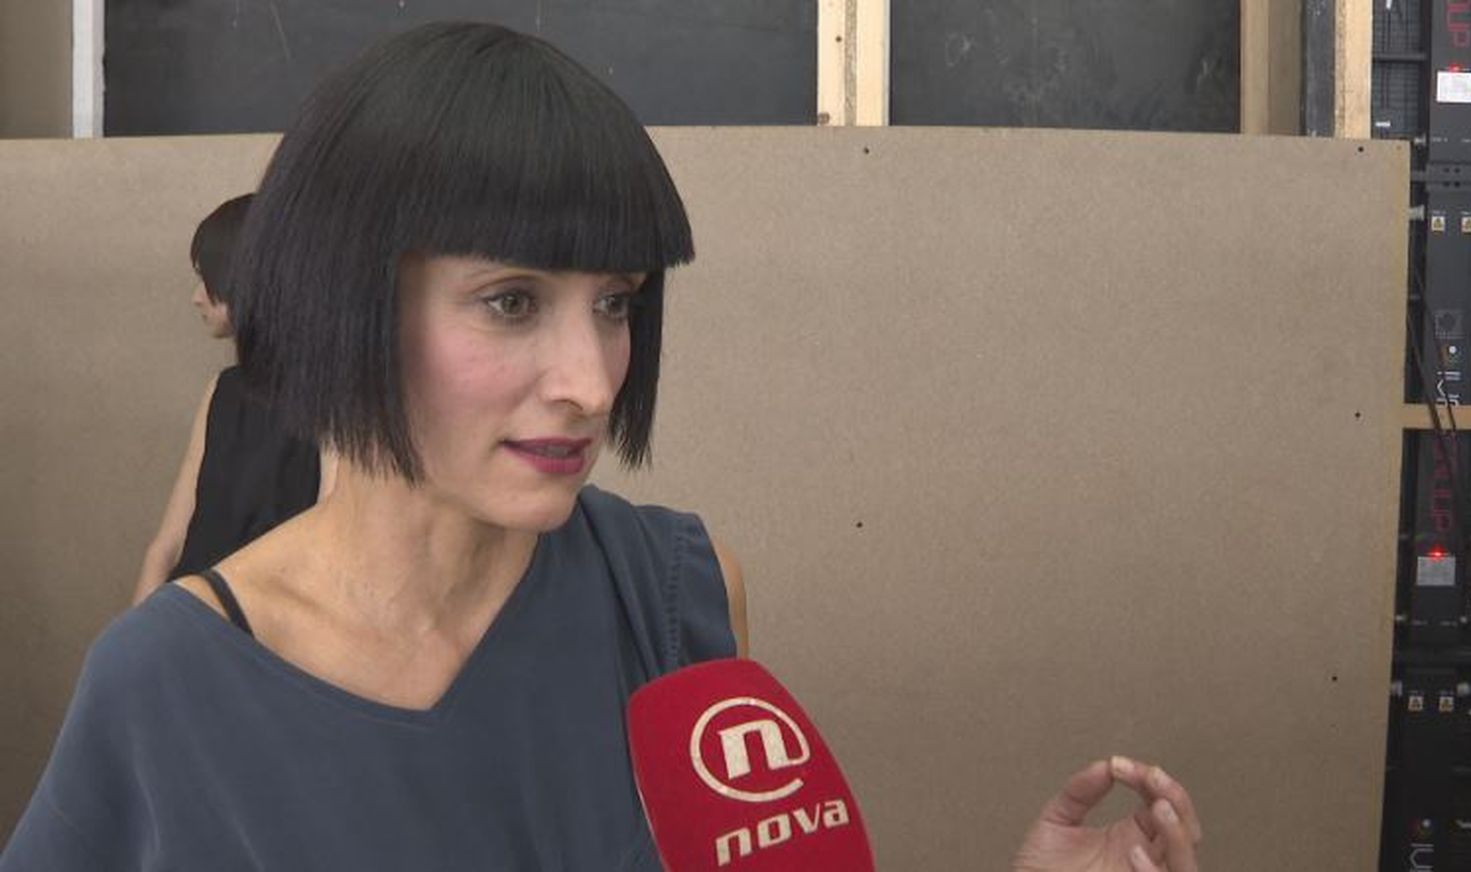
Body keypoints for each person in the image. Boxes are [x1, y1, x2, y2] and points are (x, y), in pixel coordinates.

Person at [2, 23, 1199, 871]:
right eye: (511, 300)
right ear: (343, 295)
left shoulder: (677, 594)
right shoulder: (164, 685)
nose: (590, 381)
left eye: (616, 302)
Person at [130, 194, 331, 605]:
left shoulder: (334, 402)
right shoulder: (223, 391)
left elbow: (330, 547)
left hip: (270, 620)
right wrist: (137, 634)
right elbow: (167, 545)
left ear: (247, 279)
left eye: (207, 277)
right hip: (188, 610)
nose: (196, 296)